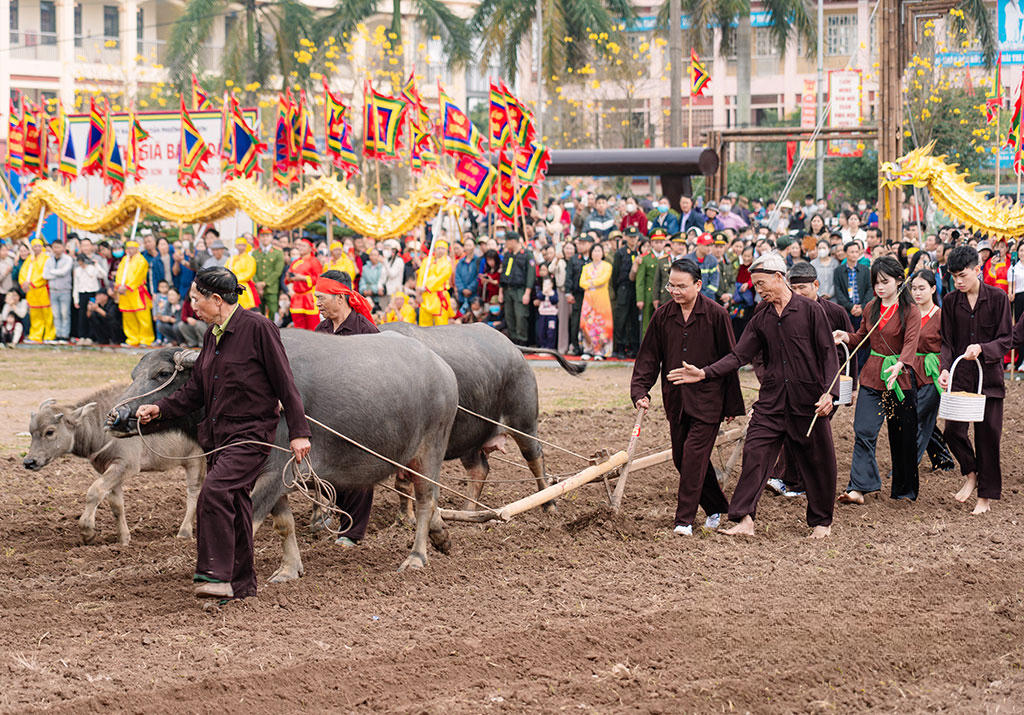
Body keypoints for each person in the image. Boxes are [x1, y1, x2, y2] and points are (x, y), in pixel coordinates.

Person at [137, 267, 311, 601]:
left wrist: (299, 432)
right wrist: (161, 409)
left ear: (217, 300)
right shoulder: (211, 335)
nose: (192, 307)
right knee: (237, 504)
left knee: (214, 493)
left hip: (251, 434)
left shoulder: (259, 329)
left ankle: (216, 574)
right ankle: (242, 584)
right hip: (219, 436)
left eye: (196, 300)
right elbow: (197, 391)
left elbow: (285, 383)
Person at [671, 252, 838, 538]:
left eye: (761, 284)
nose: (758, 291)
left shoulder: (811, 311)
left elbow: (828, 355)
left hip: (807, 403)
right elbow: (739, 355)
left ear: (778, 277)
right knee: (755, 455)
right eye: (755, 286)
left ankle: (822, 523)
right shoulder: (761, 317)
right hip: (772, 402)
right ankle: (744, 519)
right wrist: (705, 372)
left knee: (818, 460)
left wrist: (829, 394)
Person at [631, 258, 744, 535]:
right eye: (671, 285)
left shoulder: (716, 315)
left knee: (693, 456)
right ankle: (717, 507)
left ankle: (684, 521)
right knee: (682, 459)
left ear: (698, 285)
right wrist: (640, 391)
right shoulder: (663, 316)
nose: (675, 291)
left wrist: (731, 402)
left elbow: (731, 359)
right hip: (676, 401)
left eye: (682, 286)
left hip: (709, 400)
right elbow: (648, 357)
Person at [834, 257, 921, 504]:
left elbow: (911, 342)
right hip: (873, 377)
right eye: (876, 282)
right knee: (863, 429)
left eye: (885, 282)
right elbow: (862, 337)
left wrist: (901, 364)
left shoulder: (910, 310)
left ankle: (904, 491)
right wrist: (846, 337)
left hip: (899, 380)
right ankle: (859, 487)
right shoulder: (872, 306)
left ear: (899, 281)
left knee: (903, 435)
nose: (880, 287)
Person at [766, 261, 853, 497]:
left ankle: (800, 482)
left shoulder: (836, 313)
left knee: (810, 432)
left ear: (816, 284)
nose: (798, 293)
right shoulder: (785, 311)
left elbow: (850, 350)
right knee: (792, 429)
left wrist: (850, 386)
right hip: (795, 383)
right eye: (793, 288)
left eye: (803, 287)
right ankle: (788, 478)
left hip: (828, 384)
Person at [941, 246, 1013, 515]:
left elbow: (1006, 339)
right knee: (953, 432)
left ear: (977, 269)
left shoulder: (997, 298)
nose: (958, 281)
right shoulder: (949, 301)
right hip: (960, 378)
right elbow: (947, 342)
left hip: (990, 379)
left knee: (988, 435)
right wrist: (946, 369)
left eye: (962, 275)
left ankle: (986, 495)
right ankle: (970, 471)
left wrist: (983, 348)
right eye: (953, 277)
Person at [310, 270, 378, 546]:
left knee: (358, 471)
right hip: (328, 412)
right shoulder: (321, 330)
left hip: (361, 412)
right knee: (322, 468)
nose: (317, 303)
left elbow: (381, 374)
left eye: (321, 297)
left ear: (340, 298)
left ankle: (353, 531)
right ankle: (341, 513)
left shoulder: (365, 330)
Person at [908, 270, 955, 472]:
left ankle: (906, 466)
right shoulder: (909, 315)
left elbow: (949, 345)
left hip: (932, 373)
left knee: (916, 417)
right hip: (910, 372)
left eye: (922, 288)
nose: (917, 293)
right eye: (914, 288)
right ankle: (943, 460)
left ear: (933, 288)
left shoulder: (941, 316)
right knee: (924, 418)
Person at [114, 239, 155, 346]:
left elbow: (138, 276)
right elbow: (119, 274)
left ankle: (146, 339)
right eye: (128, 248)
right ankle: (132, 339)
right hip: (125, 294)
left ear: (137, 248)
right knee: (128, 317)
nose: (130, 250)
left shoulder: (141, 260)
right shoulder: (124, 260)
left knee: (143, 317)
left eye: (132, 248)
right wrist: (118, 286)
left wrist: (127, 287)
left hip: (137, 292)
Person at [498, 232, 536, 344]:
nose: (506, 244)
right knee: (509, 317)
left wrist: (527, 292)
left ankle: (522, 340)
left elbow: (531, 275)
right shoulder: (508, 255)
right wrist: (501, 292)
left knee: (520, 317)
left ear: (514, 241)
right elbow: (504, 274)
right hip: (507, 289)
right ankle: (513, 340)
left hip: (520, 290)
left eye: (507, 241)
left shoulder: (527, 254)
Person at [18, 238, 56, 342]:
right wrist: (23, 283)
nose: (37, 248)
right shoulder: (30, 259)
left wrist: (32, 283)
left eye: (39, 246)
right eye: (35, 246)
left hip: (43, 290)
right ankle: (35, 336)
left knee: (47, 314)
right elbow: (23, 272)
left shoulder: (46, 258)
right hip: (31, 292)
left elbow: (44, 274)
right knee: (35, 315)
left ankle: (49, 335)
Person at [579, 243, 613, 360]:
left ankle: (601, 351)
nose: (596, 253)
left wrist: (591, 282)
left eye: (599, 251)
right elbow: (582, 282)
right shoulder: (586, 267)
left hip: (602, 299)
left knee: (601, 324)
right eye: (594, 251)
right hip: (588, 299)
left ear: (603, 253)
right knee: (586, 324)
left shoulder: (607, 266)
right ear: (591, 253)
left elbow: (604, 279)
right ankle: (587, 349)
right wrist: (591, 283)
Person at [634, 227, 670, 335]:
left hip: (664, 295)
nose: (659, 244)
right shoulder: (645, 258)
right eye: (656, 242)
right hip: (648, 294)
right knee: (647, 324)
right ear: (651, 243)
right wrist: (640, 298)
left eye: (661, 242)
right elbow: (640, 280)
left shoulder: (668, 258)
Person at [611, 227, 640, 358]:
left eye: (635, 237)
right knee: (621, 319)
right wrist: (618, 290)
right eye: (630, 236)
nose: (633, 239)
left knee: (634, 319)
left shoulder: (640, 253)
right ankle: (620, 347)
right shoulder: (620, 253)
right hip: (623, 287)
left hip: (636, 288)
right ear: (626, 237)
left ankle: (634, 347)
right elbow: (615, 274)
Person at [285, 238, 322, 330]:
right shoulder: (295, 262)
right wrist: (289, 278)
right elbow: (287, 279)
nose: (300, 247)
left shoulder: (314, 261)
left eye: (303, 245)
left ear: (310, 248)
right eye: (300, 245)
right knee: (298, 326)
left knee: (312, 326)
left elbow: (319, 279)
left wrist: (303, 278)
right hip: (297, 297)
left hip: (309, 297)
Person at [416, 239, 454, 326]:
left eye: (443, 248)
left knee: (441, 324)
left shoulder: (447, 264)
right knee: (424, 323)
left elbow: (440, 279)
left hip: (438, 296)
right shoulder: (427, 261)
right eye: (438, 248)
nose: (440, 250)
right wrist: (419, 291)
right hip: (425, 296)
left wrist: (425, 287)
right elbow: (421, 276)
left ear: (446, 251)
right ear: (435, 249)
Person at [833, 241, 871, 326]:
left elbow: (869, 288)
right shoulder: (838, 271)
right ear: (846, 253)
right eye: (852, 252)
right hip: (846, 310)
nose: (854, 254)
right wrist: (850, 307)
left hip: (862, 310)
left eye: (856, 252)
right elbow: (838, 291)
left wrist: (862, 307)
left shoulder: (865, 270)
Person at [42, 240, 73, 342]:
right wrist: (56, 273)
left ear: (63, 248)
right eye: (55, 247)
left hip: (64, 290)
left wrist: (52, 272)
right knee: (56, 314)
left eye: (59, 247)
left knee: (65, 314)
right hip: (53, 290)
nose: (56, 249)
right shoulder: (49, 260)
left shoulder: (68, 259)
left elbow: (64, 272)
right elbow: (45, 275)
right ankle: (58, 334)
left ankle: (65, 335)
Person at [253, 228, 286, 319]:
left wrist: (264, 283)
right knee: (258, 314)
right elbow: (252, 270)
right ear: (259, 237)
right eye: (263, 236)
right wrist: (257, 284)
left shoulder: (278, 252)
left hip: (271, 288)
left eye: (267, 235)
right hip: (257, 289)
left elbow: (277, 271)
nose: (265, 238)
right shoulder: (254, 253)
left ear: (271, 237)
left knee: (272, 312)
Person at [226, 236, 260, 311]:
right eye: (239, 244)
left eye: (243, 245)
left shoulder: (250, 259)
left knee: (245, 309)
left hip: (244, 286)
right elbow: (226, 270)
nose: (241, 247)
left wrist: (234, 278)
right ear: (236, 246)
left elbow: (249, 273)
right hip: (231, 286)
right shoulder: (231, 259)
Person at [685, 233, 720, 300]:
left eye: (711, 245)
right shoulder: (687, 260)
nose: (709, 248)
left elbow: (714, 283)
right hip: (690, 298)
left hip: (708, 299)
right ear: (699, 245)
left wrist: (702, 297)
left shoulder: (713, 261)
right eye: (707, 245)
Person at [532, 263, 559, 349]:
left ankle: (550, 347)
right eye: (545, 285)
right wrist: (544, 293)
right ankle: (543, 346)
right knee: (541, 331)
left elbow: (555, 300)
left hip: (552, 316)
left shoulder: (554, 293)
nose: (546, 287)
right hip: (542, 314)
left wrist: (550, 294)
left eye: (548, 285)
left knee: (551, 332)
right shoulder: (541, 293)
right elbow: (539, 297)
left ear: (552, 285)